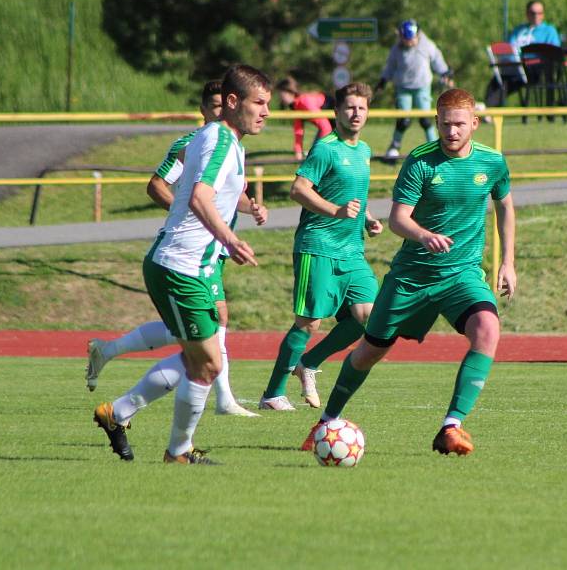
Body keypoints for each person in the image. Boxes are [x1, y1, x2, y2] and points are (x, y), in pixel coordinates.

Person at [303, 88, 516, 456]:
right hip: (411, 278)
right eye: (445, 124)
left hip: (461, 276)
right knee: (369, 352)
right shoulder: (420, 161)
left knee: (488, 329)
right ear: (436, 122)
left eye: (459, 125)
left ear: (475, 124)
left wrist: (508, 262)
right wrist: (424, 235)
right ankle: (327, 420)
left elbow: (506, 207)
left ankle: (451, 426)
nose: (451, 132)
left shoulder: (492, 163)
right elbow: (398, 219)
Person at [93, 64, 272, 464]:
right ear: (231, 102)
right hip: (180, 266)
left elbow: (212, 194)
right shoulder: (221, 141)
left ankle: (118, 413)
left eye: (268, 104)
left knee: (202, 359)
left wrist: (244, 212)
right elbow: (197, 197)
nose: (265, 112)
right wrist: (231, 238)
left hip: (195, 267)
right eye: (258, 102)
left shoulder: (228, 141)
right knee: (208, 362)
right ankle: (177, 451)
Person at [260, 82, 383, 411]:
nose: (356, 114)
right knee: (309, 321)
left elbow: (353, 195)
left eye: (362, 108)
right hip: (319, 245)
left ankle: (309, 362)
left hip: (351, 250)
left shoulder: (365, 151)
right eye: (349, 107)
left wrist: (368, 217)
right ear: (336, 112)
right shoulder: (326, 148)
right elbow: (298, 189)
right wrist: (336, 212)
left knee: (369, 315)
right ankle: (273, 393)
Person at [376, 19, 454, 162]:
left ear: (418, 35)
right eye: (405, 39)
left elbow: (437, 59)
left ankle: (435, 147)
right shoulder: (397, 49)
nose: (409, 42)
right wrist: (383, 81)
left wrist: (445, 72)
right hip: (403, 87)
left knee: (425, 119)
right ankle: (394, 147)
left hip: (422, 87)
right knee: (403, 120)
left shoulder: (427, 45)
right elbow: (390, 67)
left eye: (411, 39)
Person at [484, 0, 561, 108]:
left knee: (510, 79)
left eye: (539, 13)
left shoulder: (549, 31)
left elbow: (553, 51)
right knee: (498, 80)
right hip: (516, 66)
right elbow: (509, 49)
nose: (536, 16)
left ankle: (488, 111)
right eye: (533, 13)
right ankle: (487, 111)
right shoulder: (518, 30)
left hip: (536, 68)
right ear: (527, 14)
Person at [276, 76, 333, 160]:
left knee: (317, 154)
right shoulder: (296, 105)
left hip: (337, 121)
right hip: (330, 124)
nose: (280, 97)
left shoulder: (304, 101)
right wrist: (298, 151)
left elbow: (326, 127)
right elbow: (298, 130)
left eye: (281, 94)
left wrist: (318, 150)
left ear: (289, 92)